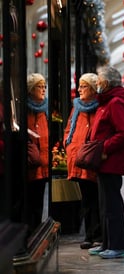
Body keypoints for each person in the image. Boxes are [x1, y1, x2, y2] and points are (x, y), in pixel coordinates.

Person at [87, 66, 124, 259]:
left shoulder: (115, 103)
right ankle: (107, 243)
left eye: (98, 80)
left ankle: (119, 245)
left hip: (111, 162)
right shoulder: (105, 102)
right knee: (104, 205)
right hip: (102, 162)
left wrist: (104, 148)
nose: (96, 83)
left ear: (106, 83)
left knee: (112, 205)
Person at [63, 73, 102, 249]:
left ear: (93, 89)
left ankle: (97, 235)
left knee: (96, 198)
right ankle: (90, 235)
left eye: (83, 86)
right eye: (79, 86)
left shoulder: (100, 108)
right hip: (79, 160)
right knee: (87, 199)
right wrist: (69, 146)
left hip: (93, 160)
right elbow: (69, 130)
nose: (79, 90)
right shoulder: (76, 108)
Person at [27, 73, 49, 235]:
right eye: (39, 87)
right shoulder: (24, 109)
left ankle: (36, 230)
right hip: (29, 163)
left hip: (43, 163)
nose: (43, 90)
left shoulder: (44, 110)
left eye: (44, 87)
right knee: (29, 199)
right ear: (30, 89)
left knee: (38, 199)